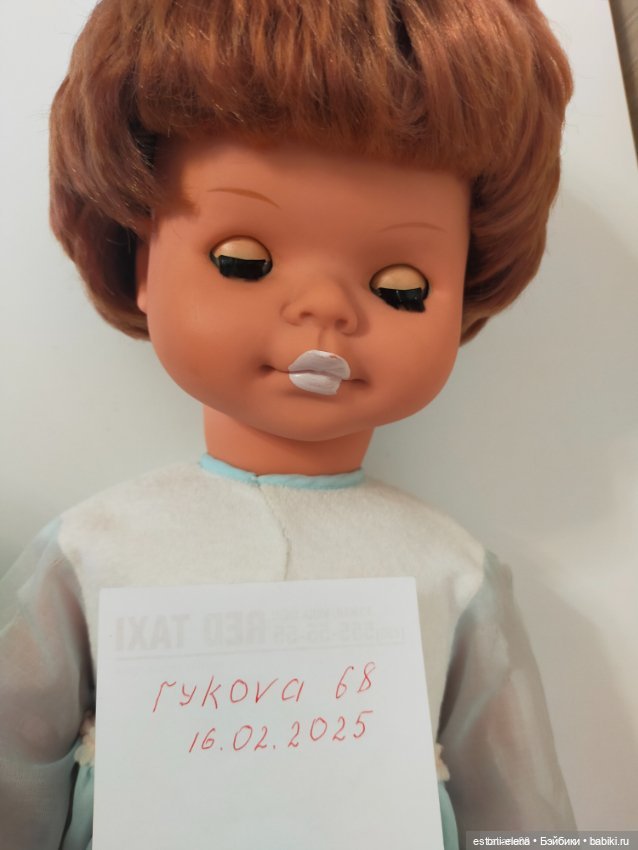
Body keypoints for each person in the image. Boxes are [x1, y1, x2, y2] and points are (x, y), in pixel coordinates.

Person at [0, 0, 576, 847]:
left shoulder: (453, 573)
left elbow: (520, 805)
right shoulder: (92, 551)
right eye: (243, 262)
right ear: (141, 260)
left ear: (466, 291)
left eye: (402, 287)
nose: (324, 310)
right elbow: (15, 768)